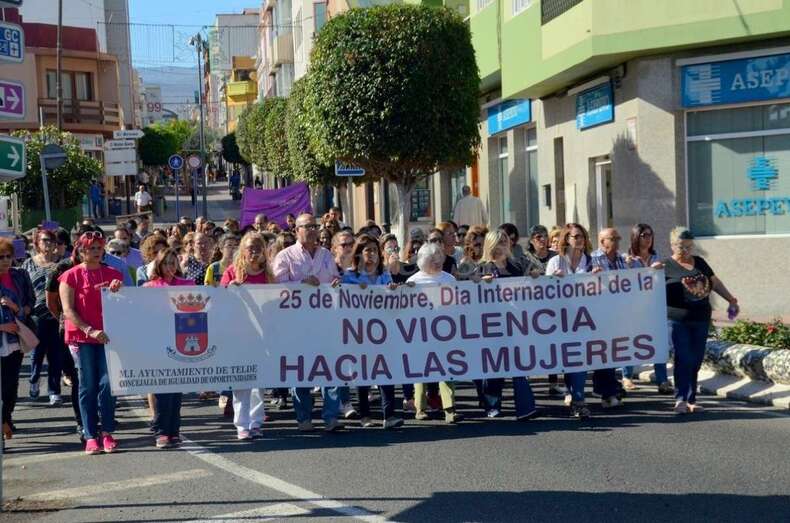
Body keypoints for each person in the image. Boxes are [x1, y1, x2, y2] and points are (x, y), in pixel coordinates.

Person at [272, 213, 342, 432]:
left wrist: (337, 283)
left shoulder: (326, 255)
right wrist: (301, 283)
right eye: (306, 226)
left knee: (330, 369)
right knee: (300, 370)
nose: (312, 230)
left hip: (325, 321)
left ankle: (331, 416)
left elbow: (334, 279)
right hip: (296, 324)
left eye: (314, 225)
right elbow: (276, 286)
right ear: (296, 231)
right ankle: (304, 417)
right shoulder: (285, 256)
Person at [59, 231, 124, 454]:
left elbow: (126, 304)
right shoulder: (70, 276)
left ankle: (107, 432)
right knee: (87, 385)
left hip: (109, 337)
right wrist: (89, 330)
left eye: (99, 247)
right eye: (91, 248)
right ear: (81, 251)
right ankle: (89, 435)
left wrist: (119, 290)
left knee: (108, 384)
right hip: (83, 338)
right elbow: (68, 310)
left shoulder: (114, 273)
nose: (96, 252)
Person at [664, 227, 738, 414]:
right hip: (676, 319)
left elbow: (715, 282)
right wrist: (650, 271)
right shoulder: (665, 266)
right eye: (682, 247)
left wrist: (731, 299)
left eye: (689, 246)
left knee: (696, 359)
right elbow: (645, 285)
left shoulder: (700, 263)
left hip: (701, 318)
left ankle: (691, 399)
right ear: (672, 246)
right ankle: (680, 398)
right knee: (684, 357)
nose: (686, 251)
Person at [341, 234, 403, 429]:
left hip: (383, 331)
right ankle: (365, 415)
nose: (372, 254)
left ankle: (389, 415)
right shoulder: (350, 277)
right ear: (359, 254)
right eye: (367, 250)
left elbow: (393, 304)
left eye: (375, 250)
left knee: (386, 370)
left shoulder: (385, 275)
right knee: (364, 373)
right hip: (360, 332)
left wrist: (394, 291)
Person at [478, 230, 539, 421]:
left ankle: (525, 406)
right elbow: (469, 292)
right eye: (498, 242)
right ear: (490, 245)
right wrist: (480, 284)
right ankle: (492, 403)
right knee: (495, 367)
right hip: (492, 325)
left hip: (516, 323)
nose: (502, 245)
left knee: (519, 366)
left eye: (505, 241)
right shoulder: (482, 268)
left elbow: (532, 283)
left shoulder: (517, 266)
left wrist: (536, 277)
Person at [221, 232, 271, 440]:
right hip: (239, 334)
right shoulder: (233, 271)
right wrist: (229, 288)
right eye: (250, 248)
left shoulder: (267, 275)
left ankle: (256, 421)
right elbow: (219, 298)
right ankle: (242, 424)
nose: (254, 252)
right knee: (241, 381)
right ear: (242, 249)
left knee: (259, 383)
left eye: (258, 248)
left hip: (261, 336)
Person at [407, 243, 463, 424]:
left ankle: (450, 409)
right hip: (420, 333)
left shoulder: (449, 279)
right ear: (423, 261)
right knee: (421, 371)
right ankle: (420, 408)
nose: (437, 262)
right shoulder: (413, 282)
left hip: (445, 333)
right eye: (433, 259)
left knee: (447, 370)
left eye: (439, 257)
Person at [143, 248, 193, 448]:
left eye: (173, 263)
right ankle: (161, 430)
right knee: (162, 388)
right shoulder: (148, 287)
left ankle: (174, 430)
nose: (170, 267)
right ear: (159, 265)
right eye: (166, 263)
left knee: (176, 389)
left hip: (180, 342)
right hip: (157, 342)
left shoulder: (187, 285)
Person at [545, 223, 593, 419]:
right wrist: (553, 280)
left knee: (579, 360)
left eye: (581, 236)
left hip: (584, 318)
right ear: (566, 239)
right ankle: (571, 393)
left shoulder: (590, 261)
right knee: (568, 359)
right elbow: (544, 291)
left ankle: (579, 400)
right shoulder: (555, 262)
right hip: (560, 318)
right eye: (574, 236)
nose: (578, 239)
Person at [623, 223, 671, 393]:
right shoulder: (627, 258)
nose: (648, 238)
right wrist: (626, 267)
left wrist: (660, 269)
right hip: (633, 308)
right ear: (636, 237)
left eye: (650, 234)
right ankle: (627, 376)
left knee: (658, 343)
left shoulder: (655, 256)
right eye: (644, 235)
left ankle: (662, 380)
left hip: (653, 307)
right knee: (631, 342)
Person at [589, 228, 632, 408]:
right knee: (603, 354)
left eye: (618, 238)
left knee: (613, 353)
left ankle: (605, 389)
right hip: (599, 312)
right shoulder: (593, 259)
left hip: (618, 312)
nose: (616, 241)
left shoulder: (622, 259)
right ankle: (610, 391)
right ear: (602, 241)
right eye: (612, 238)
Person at [22, 228, 65, 405]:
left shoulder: (61, 264)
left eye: (52, 241)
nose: (49, 244)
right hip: (35, 316)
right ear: (37, 243)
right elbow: (24, 289)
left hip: (57, 315)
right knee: (36, 354)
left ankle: (54, 390)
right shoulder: (28, 264)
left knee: (56, 354)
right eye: (45, 240)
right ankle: (34, 382)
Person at [0, 237, 35, 441]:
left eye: (9, 256)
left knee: (11, 385)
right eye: (1, 257)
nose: (6, 260)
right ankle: (3, 420)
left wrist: (17, 309)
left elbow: (30, 303)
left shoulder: (20, 275)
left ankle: (5, 417)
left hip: (16, 339)